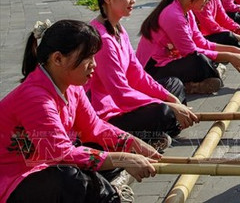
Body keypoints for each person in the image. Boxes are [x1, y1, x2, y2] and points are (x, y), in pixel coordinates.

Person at [0, 20, 160, 203]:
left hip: (42, 168)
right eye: (87, 57)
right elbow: (60, 154)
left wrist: (133, 144)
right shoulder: (35, 97)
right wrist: (123, 158)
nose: (94, 64)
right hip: (11, 181)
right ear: (58, 59)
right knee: (72, 179)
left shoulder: (72, 87)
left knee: (102, 155)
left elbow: (94, 127)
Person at [87, 0, 198, 149]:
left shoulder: (118, 29)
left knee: (174, 86)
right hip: (108, 115)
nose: (133, 1)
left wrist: (170, 98)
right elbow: (121, 93)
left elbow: (137, 74)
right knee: (163, 111)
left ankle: (162, 130)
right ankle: (152, 133)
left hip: (124, 103)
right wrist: (167, 105)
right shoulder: (102, 40)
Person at [136, 0, 240, 95]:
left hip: (171, 61)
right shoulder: (173, 15)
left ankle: (200, 80)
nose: (207, 1)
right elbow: (191, 52)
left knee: (207, 58)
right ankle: (193, 83)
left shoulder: (188, 12)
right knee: (200, 60)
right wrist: (229, 56)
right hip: (152, 71)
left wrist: (232, 51)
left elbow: (202, 42)